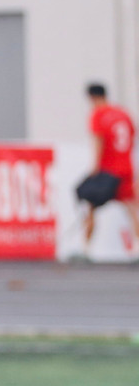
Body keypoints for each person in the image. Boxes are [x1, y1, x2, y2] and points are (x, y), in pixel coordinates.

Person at [76, 83, 139, 257]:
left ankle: (85, 248)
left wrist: (95, 168)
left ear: (92, 97)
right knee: (132, 207)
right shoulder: (123, 113)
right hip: (126, 168)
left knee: (90, 205)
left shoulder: (98, 114)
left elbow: (99, 140)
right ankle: (137, 246)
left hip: (107, 170)